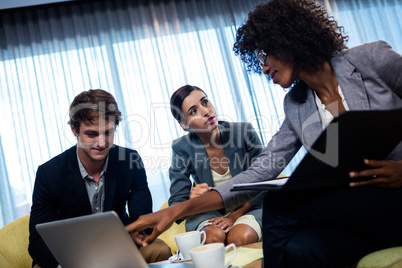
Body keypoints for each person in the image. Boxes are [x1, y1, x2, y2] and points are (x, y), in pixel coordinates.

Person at [126, 0, 402, 267]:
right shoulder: (297, 104)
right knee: (299, 250)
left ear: (287, 39)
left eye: (263, 55)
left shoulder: (371, 60)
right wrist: (171, 212)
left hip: (394, 196)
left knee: (280, 208)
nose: (263, 68)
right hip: (358, 211)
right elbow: (259, 173)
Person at [28, 89, 171, 268]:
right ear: (74, 130)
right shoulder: (49, 173)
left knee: (160, 250)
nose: (102, 143)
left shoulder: (129, 160)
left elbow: (143, 221)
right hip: (68, 255)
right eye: (92, 134)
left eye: (108, 132)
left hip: (121, 245)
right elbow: (36, 241)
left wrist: (125, 245)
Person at [169, 85, 264, 246]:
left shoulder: (243, 132)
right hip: (208, 213)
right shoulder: (181, 148)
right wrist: (191, 200)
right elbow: (176, 204)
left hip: (249, 207)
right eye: (193, 111)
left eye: (205, 102)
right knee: (212, 239)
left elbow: (263, 182)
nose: (206, 111)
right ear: (184, 124)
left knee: (239, 238)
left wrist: (234, 216)